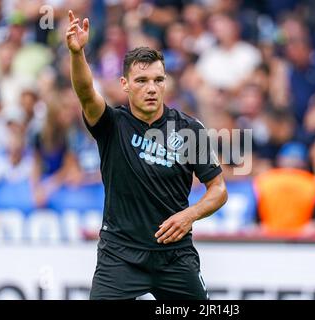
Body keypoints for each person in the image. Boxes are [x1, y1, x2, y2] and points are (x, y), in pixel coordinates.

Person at [65, 10, 228, 300]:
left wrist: (189, 215)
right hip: (120, 256)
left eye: (158, 80)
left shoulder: (190, 129)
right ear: (124, 85)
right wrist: (78, 54)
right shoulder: (112, 124)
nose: (151, 88)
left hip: (175, 257)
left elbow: (218, 190)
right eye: (141, 81)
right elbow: (86, 92)